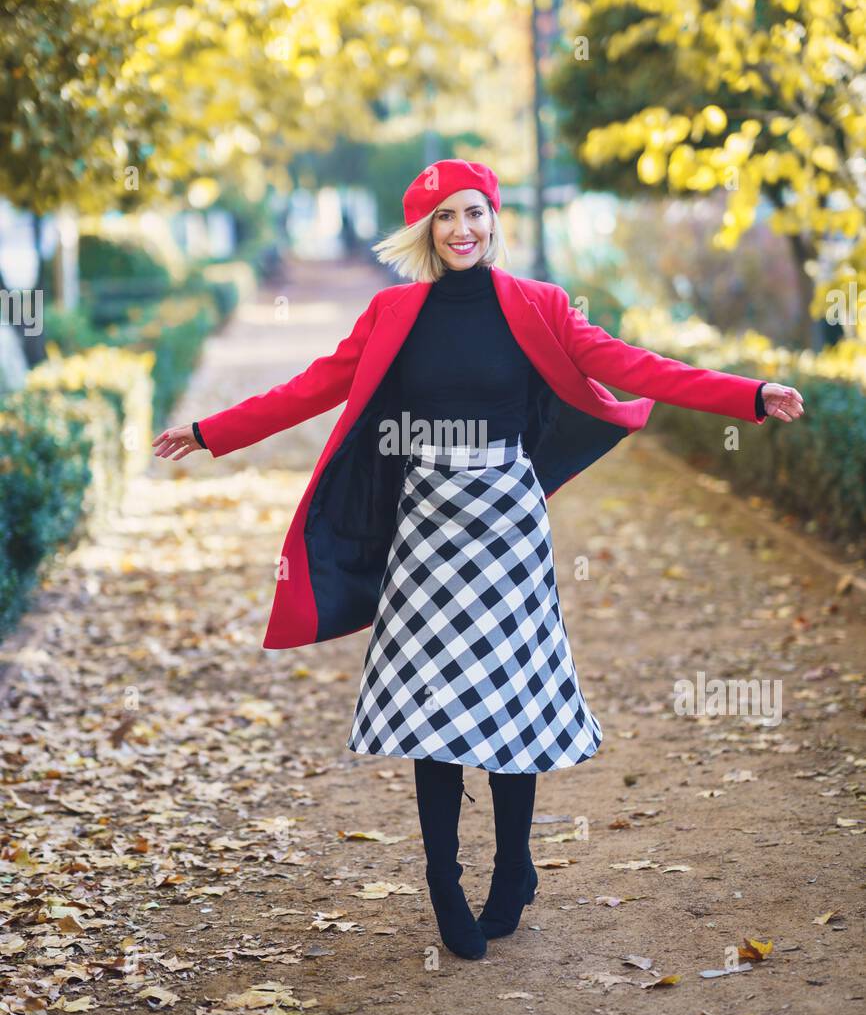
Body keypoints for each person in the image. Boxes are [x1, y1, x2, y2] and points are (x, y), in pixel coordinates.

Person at [152, 159, 805, 962]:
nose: (463, 229)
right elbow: (313, 387)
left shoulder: (537, 305)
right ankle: (441, 880)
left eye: (475, 213)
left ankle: (514, 867)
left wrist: (747, 394)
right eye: (445, 218)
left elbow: (634, 365)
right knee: (434, 708)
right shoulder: (394, 312)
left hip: (509, 522)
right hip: (426, 523)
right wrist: (212, 431)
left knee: (508, 700)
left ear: (493, 218)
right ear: (424, 232)